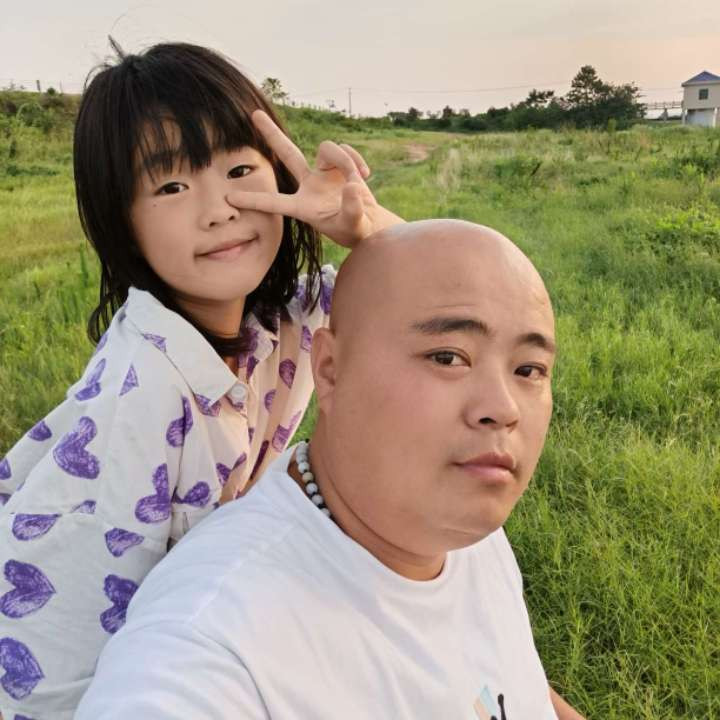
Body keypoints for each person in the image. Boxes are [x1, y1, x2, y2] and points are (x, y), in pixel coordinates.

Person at [0, 41, 401, 719]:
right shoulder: (146, 391)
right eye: (171, 187)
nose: (219, 210)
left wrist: (368, 229)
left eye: (239, 170)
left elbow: (448, 300)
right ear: (122, 222)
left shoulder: (283, 318)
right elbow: (72, 650)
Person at [75, 220, 586, 720]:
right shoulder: (213, 642)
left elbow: (512, 688)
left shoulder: (459, 526)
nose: (503, 408)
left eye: (528, 370)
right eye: (448, 357)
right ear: (330, 370)